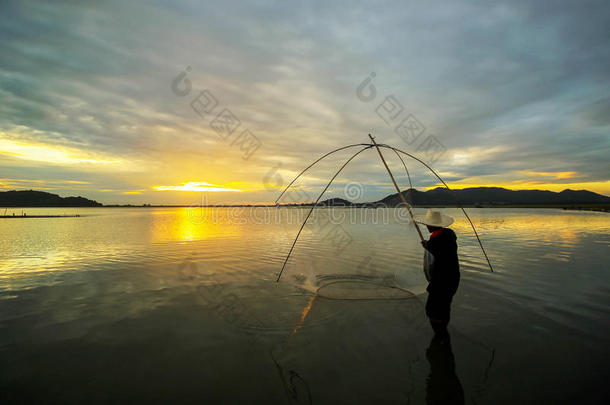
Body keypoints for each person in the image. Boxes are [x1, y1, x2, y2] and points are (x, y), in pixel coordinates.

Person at [414, 209, 460, 334]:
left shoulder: (436, 242)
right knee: (444, 309)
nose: (426, 226)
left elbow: (436, 249)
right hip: (453, 279)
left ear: (432, 225)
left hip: (442, 282)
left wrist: (428, 245)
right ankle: (443, 334)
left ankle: (439, 335)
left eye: (428, 224)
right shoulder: (448, 234)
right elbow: (440, 249)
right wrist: (428, 244)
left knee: (432, 310)